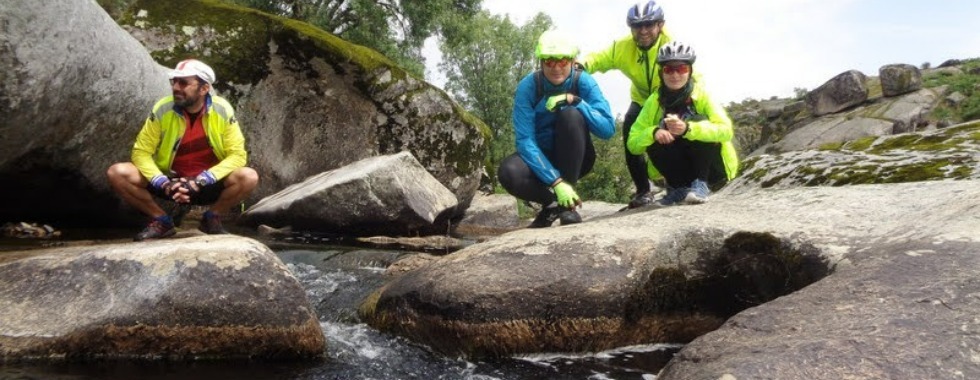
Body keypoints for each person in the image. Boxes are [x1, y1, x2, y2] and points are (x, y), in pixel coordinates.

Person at [107, 59, 259, 241]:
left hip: (207, 182)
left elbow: (238, 155)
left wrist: (201, 180)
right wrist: (162, 182)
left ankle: (212, 217)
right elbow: (141, 152)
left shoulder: (222, 110)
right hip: (170, 182)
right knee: (118, 172)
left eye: (184, 83)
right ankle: (161, 220)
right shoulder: (163, 108)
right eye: (174, 82)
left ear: (204, 88)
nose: (176, 88)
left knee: (248, 176)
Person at [498, 31, 616, 228]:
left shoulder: (583, 81)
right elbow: (525, 140)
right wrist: (556, 182)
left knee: (570, 114)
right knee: (508, 172)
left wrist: (575, 101)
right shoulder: (528, 87)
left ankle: (568, 208)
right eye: (549, 61)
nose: (556, 68)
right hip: (541, 158)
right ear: (541, 62)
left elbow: (607, 129)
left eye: (562, 61)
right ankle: (552, 203)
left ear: (573, 61)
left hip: (577, 157)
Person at [579, 0, 673, 209]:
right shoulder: (623, 47)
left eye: (649, 24)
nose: (643, 31)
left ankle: (677, 184)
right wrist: (580, 66)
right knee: (631, 136)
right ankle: (643, 191)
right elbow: (600, 58)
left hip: (669, 99)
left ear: (660, 25)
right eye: (637, 26)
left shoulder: (671, 44)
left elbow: (690, 72)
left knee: (670, 136)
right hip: (641, 100)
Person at [626, 41, 738, 207]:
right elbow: (633, 143)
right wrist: (653, 132)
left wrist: (688, 129)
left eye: (681, 69)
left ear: (690, 71)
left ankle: (701, 184)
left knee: (699, 121)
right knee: (654, 134)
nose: (675, 75)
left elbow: (726, 131)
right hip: (679, 170)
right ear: (661, 73)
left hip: (712, 170)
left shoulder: (702, 95)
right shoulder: (654, 101)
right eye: (668, 69)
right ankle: (678, 189)